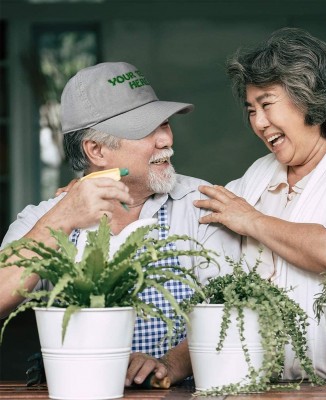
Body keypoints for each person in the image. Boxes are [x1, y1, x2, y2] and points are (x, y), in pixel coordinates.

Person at [0, 62, 241, 386]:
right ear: (96, 150)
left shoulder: (201, 205)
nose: (165, 140)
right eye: (145, 129)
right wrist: (63, 217)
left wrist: (170, 364)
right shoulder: (44, 220)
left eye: (165, 124)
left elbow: (233, 309)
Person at [193, 27, 326, 380]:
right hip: (268, 386)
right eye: (251, 109)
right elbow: (198, 214)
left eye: (267, 104)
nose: (258, 123)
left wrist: (252, 220)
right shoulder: (258, 175)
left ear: (309, 99)